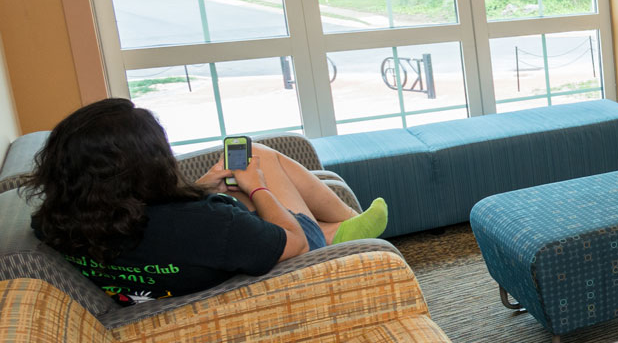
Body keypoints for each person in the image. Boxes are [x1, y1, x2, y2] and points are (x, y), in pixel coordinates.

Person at [27, 98, 389, 305]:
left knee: (243, 170)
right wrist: (258, 188)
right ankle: (341, 236)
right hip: (278, 261)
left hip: (202, 260)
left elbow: (162, 226)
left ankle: (340, 230)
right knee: (257, 161)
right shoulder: (205, 224)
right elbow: (291, 244)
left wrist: (197, 190)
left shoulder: (52, 222)